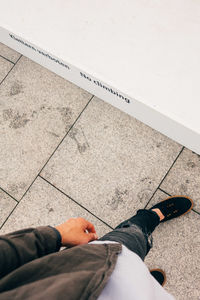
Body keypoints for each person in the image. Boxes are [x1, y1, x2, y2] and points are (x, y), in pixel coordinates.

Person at [0, 195, 193, 299]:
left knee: (132, 236)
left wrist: (54, 236)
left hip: (90, 273)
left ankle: (151, 217)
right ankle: (144, 284)